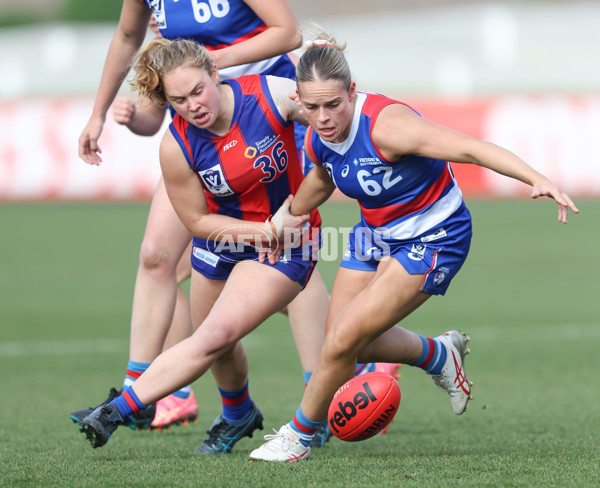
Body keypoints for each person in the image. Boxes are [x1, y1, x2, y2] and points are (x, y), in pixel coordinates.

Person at [247, 32, 580, 462]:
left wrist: (537, 178)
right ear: (299, 100)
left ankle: (297, 437)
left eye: (334, 105)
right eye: (311, 108)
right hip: (374, 234)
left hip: (434, 236)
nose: (324, 117)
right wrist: (280, 222)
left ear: (352, 91)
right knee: (347, 343)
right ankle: (438, 354)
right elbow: (322, 179)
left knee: (343, 338)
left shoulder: (389, 126)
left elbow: (469, 148)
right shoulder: (317, 136)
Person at [71, 0, 350, 450]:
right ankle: (157, 392)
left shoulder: (269, 94)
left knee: (290, 259)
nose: (188, 102)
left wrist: (209, 66)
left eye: (192, 92)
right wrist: (104, 113)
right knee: (165, 265)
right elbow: (129, 42)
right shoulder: (178, 131)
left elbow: (289, 33)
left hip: (262, 121)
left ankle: (318, 403)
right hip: (209, 151)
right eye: (177, 96)